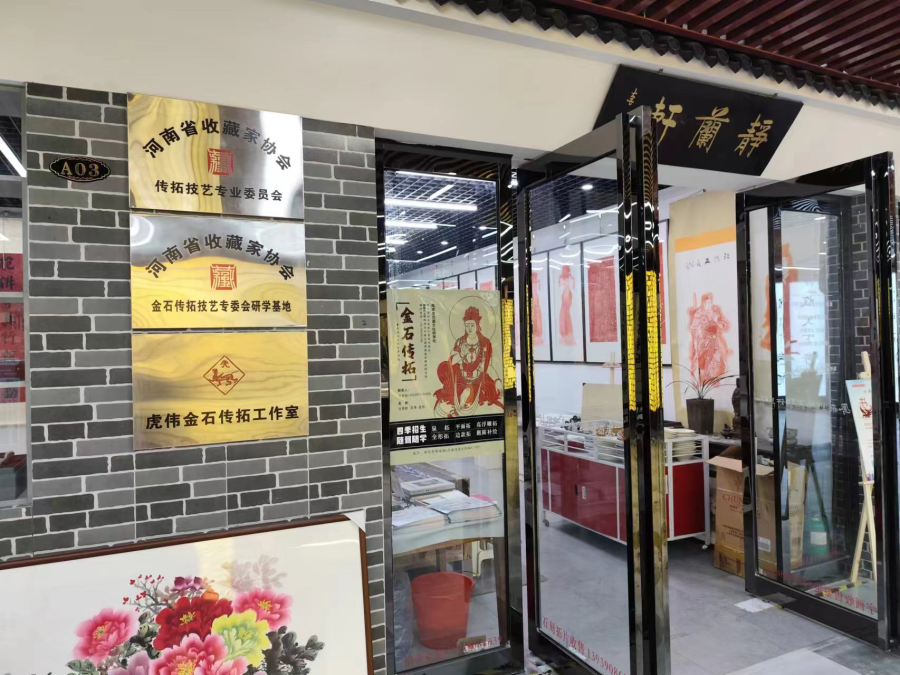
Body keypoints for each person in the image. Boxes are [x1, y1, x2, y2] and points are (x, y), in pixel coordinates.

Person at [433, 306, 503, 417]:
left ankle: (460, 407)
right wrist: (461, 354)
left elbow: (488, 366)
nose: (469, 328)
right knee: (461, 393)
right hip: (461, 380)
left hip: (478, 380)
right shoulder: (460, 342)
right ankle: (459, 407)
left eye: (472, 325)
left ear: (477, 325)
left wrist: (497, 379)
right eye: (467, 325)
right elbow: (451, 362)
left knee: (477, 392)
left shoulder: (485, 343)